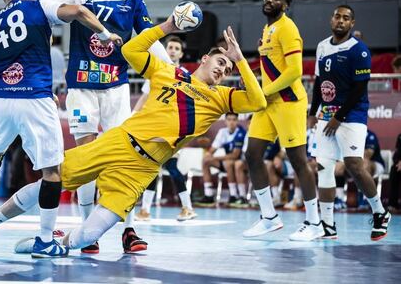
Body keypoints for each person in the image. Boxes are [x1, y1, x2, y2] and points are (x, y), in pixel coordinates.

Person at [49, 14, 265, 251]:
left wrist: (240, 59)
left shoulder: (219, 96)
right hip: (125, 135)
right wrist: (167, 26)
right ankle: (45, 232)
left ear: (182, 53)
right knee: (62, 176)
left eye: (227, 68)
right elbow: (142, 89)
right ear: (204, 59)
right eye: (221, 62)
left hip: (151, 157)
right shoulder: (167, 72)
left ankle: (129, 227)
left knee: (167, 170)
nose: (223, 69)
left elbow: (258, 101)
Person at [0, 0, 122, 257]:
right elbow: (79, 11)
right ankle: (45, 240)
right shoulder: (38, 6)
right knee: (51, 172)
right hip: (35, 96)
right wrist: (105, 34)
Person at [40, 0, 172, 254]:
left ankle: (128, 229)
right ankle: (88, 230)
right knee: (86, 157)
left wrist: (173, 69)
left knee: (125, 159)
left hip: (116, 85)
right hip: (81, 84)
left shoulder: (134, 1)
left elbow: (149, 38)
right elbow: (45, 9)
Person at [243, 0, 323, 241]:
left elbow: (294, 71)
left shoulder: (288, 28)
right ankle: (269, 217)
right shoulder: (268, 29)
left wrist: (265, 91)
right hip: (268, 104)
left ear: (285, 5)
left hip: (288, 101)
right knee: (253, 154)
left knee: (298, 160)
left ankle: (314, 222)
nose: (269, 0)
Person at [308, 4, 391, 240]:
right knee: (324, 167)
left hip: (352, 114)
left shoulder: (359, 50)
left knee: (354, 164)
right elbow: (317, 82)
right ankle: (328, 226)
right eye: (337, 16)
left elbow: (359, 88)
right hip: (326, 115)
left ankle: (380, 212)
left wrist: (339, 117)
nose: (340, 21)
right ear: (331, 19)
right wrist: (312, 112)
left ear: (351, 24)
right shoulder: (323, 47)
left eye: (346, 18)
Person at [134, 35, 197, 221]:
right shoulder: (158, 71)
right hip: (155, 125)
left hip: (173, 127)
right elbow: (144, 97)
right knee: (155, 165)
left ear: (181, 53)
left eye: (177, 48)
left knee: (169, 166)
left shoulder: (185, 75)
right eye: (170, 47)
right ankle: (146, 211)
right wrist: (133, 115)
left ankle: (187, 207)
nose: (173, 51)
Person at [198, 112, 246, 206]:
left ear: (237, 121)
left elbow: (235, 155)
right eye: (229, 119)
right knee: (205, 161)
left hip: (240, 162)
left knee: (229, 162)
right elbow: (212, 150)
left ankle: (234, 195)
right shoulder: (222, 132)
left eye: (234, 120)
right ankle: (209, 195)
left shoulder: (241, 133)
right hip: (227, 162)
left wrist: (215, 157)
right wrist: (208, 154)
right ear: (225, 121)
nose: (231, 122)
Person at [388, 134, 401, 211]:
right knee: (394, 170)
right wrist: (398, 162)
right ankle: (393, 204)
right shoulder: (400, 136)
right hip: (399, 165)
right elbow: (396, 154)